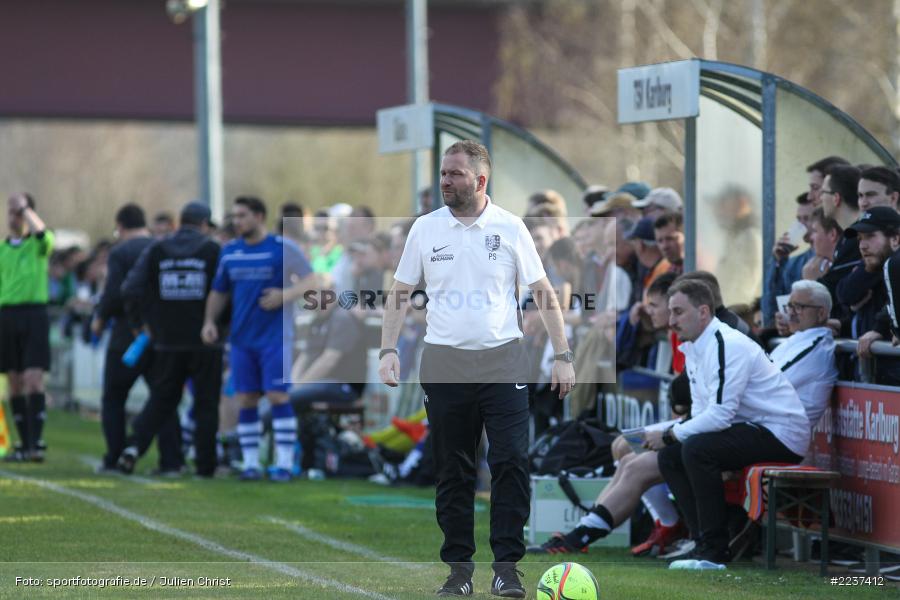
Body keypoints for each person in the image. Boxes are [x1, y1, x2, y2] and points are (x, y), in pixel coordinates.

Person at [379, 140, 575, 598]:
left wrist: (564, 356)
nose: (445, 181)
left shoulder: (510, 227)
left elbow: (544, 291)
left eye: (455, 174)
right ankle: (459, 571)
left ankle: (507, 568)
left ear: (480, 180)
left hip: (504, 360)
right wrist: (388, 348)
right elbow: (400, 292)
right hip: (445, 363)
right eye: (444, 173)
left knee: (510, 461)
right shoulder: (425, 229)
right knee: (453, 469)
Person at [648, 279, 810, 566]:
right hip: (754, 426)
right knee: (671, 456)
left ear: (703, 312)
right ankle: (702, 542)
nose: (671, 321)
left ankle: (714, 550)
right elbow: (703, 413)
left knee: (695, 449)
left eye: (678, 312)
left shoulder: (726, 343)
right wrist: (668, 436)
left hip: (782, 432)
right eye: (670, 312)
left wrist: (672, 433)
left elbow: (720, 414)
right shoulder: (696, 346)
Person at [528, 272, 685, 557]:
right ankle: (666, 522)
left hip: (701, 431)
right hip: (687, 425)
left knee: (634, 463)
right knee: (622, 447)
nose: (650, 311)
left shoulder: (703, 340)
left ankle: (581, 535)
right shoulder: (675, 335)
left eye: (655, 305)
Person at [202, 196, 315, 482]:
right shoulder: (230, 252)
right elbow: (219, 291)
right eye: (235, 216)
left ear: (259, 216)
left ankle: (285, 463)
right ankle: (251, 463)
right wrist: (209, 322)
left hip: (276, 337)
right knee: (246, 399)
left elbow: (313, 281)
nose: (237, 221)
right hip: (241, 339)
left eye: (242, 215)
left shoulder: (282, 249)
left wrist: (284, 295)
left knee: (278, 396)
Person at [116, 202, 223, 478]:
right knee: (206, 404)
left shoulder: (157, 248)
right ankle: (206, 466)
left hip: (166, 341)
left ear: (179, 222)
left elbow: (130, 288)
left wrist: (141, 324)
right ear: (203, 224)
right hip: (205, 340)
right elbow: (226, 290)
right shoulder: (212, 250)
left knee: (162, 400)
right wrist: (222, 326)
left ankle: (133, 448)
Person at [91, 203, 181, 473]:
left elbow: (116, 293)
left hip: (127, 337)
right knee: (163, 398)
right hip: (161, 335)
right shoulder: (162, 247)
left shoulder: (121, 252)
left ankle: (115, 456)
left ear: (120, 226)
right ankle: (171, 461)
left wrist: (100, 318)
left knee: (114, 397)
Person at [0, 193, 54, 462]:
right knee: (14, 380)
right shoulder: (2, 250)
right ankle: (23, 443)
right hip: (7, 315)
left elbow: (43, 234)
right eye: (11, 212)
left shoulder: (38, 246)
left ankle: (36, 442)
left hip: (34, 314)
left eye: (19, 212)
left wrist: (27, 209)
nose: (14, 217)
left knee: (34, 378)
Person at [769, 280, 838, 431]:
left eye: (799, 307)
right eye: (790, 306)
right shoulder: (797, 338)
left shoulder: (817, 347)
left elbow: (769, 385)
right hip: (764, 425)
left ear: (821, 313)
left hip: (778, 433)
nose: (791, 313)